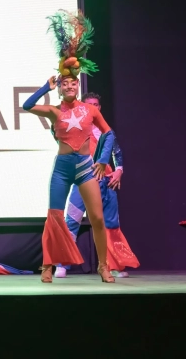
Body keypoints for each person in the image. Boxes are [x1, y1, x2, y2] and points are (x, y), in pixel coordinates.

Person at [22, 10, 116, 283]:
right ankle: (47, 266)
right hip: (62, 169)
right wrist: (45, 87)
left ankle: (103, 266)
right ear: (60, 88)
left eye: (73, 83)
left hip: (86, 168)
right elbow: (27, 105)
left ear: (78, 85)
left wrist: (102, 160)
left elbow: (109, 133)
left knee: (97, 218)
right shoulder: (54, 111)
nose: (70, 86)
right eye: (65, 84)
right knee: (54, 217)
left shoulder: (90, 110)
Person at [56, 92, 138, 279]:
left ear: (99, 108)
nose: (93, 107)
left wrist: (119, 171)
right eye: (89, 104)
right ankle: (61, 264)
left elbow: (117, 152)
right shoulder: (75, 128)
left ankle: (113, 265)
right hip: (82, 181)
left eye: (96, 104)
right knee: (72, 222)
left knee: (111, 224)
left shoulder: (106, 130)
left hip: (106, 182)